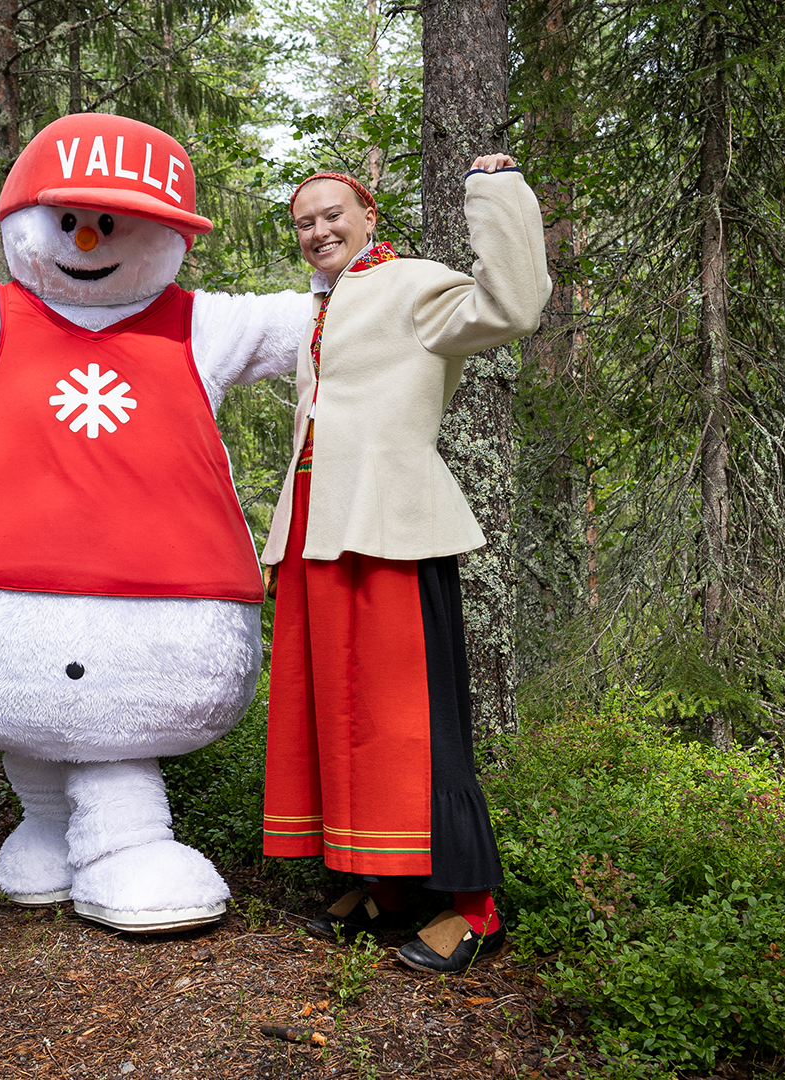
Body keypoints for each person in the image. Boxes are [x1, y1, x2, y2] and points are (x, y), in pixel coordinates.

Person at [259, 158, 551, 973]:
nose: (318, 231)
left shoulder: (414, 283)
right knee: (341, 720)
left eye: (332, 215)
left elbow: (514, 305)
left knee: (414, 726)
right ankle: (388, 886)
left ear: (367, 213)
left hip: (390, 529)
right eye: (304, 222)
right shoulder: (322, 303)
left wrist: (495, 192)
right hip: (319, 531)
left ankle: (476, 908)